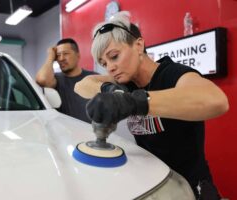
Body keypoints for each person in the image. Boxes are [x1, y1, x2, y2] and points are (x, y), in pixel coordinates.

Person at [74, 11, 229, 200]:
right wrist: (110, 92)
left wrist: (134, 102)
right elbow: (81, 85)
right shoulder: (126, 82)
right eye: (103, 62)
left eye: (114, 56)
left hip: (191, 188)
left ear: (139, 45)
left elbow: (216, 100)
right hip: (157, 185)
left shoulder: (172, 74)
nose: (110, 67)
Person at [36, 38, 97, 123]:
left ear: (78, 55)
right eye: (58, 55)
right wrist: (50, 56)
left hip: (91, 133)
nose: (61, 59)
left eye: (65, 54)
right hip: (64, 133)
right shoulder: (55, 79)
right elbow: (42, 79)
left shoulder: (93, 78)